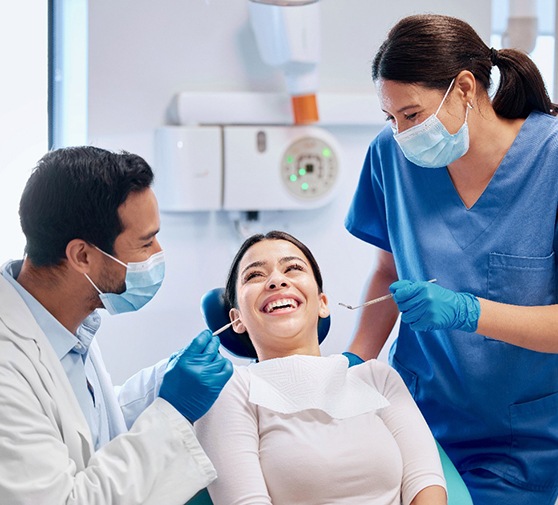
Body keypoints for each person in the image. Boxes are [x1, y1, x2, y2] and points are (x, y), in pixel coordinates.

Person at [344, 13, 558, 505]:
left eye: (412, 115)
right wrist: (355, 362)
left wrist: (468, 311)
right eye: (390, 118)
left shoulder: (549, 159)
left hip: (516, 442)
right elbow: (387, 271)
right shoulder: (389, 157)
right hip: (413, 418)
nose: (401, 134)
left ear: (464, 88)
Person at [0, 146, 233, 505]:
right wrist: (174, 411)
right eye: (144, 243)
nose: (158, 252)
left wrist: (163, 382)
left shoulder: (62, 322)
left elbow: (85, 428)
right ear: (82, 256)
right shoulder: (7, 366)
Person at [195, 230, 447, 505]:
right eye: (255, 275)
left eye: (293, 268)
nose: (277, 281)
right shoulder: (231, 391)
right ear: (236, 320)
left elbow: (426, 483)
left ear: (323, 304)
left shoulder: (377, 377)